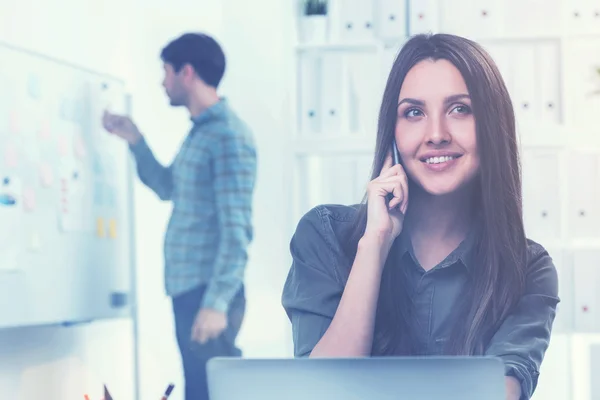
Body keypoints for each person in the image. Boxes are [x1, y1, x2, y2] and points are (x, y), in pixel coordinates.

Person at [281, 33, 559, 400]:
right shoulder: (325, 235)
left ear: (492, 125)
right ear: (392, 132)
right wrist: (374, 246)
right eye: (414, 112)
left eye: (460, 109)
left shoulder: (526, 269)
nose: (436, 134)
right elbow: (318, 394)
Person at [102, 32, 257, 400]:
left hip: (209, 291)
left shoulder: (228, 137)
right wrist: (135, 140)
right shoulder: (200, 134)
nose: (162, 82)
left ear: (186, 72)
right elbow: (167, 186)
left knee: (212, 392)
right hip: (188, 288)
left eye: (166, 72)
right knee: (199, 390)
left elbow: (237, 231)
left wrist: (216, 303)